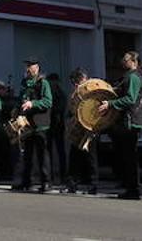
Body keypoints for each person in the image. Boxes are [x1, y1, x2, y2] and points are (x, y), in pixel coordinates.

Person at [99, 51, 142, 200]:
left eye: (126, 59)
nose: (122, 61)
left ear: (134, 61)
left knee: (130, 157)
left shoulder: (133, 76)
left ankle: (134, 190)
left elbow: (130, 99)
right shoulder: (129, 76)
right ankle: (130, 187)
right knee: (126, 157)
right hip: (127, 121)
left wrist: (110, 104)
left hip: (130, 121)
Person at [11, 58, 52, 193]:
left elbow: (47, 102)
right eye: (27, 66)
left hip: (40, 124)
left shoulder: (43, 83)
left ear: (37, 68)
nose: (28, 69)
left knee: (42, 155)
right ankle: (26, 181)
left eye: (31, 66)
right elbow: (21, 100)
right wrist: (16, 109)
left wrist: (33, 104)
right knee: (26, 154)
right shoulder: (24, 84)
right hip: (26, 124)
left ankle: (46, 182)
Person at [62, 68, 97, 196]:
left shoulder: (91, 90)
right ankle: (73, 183)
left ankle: (92, 184)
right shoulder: (76, 93)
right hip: (78, 129)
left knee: (89, 157)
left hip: (89, 128)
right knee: (75, 157)